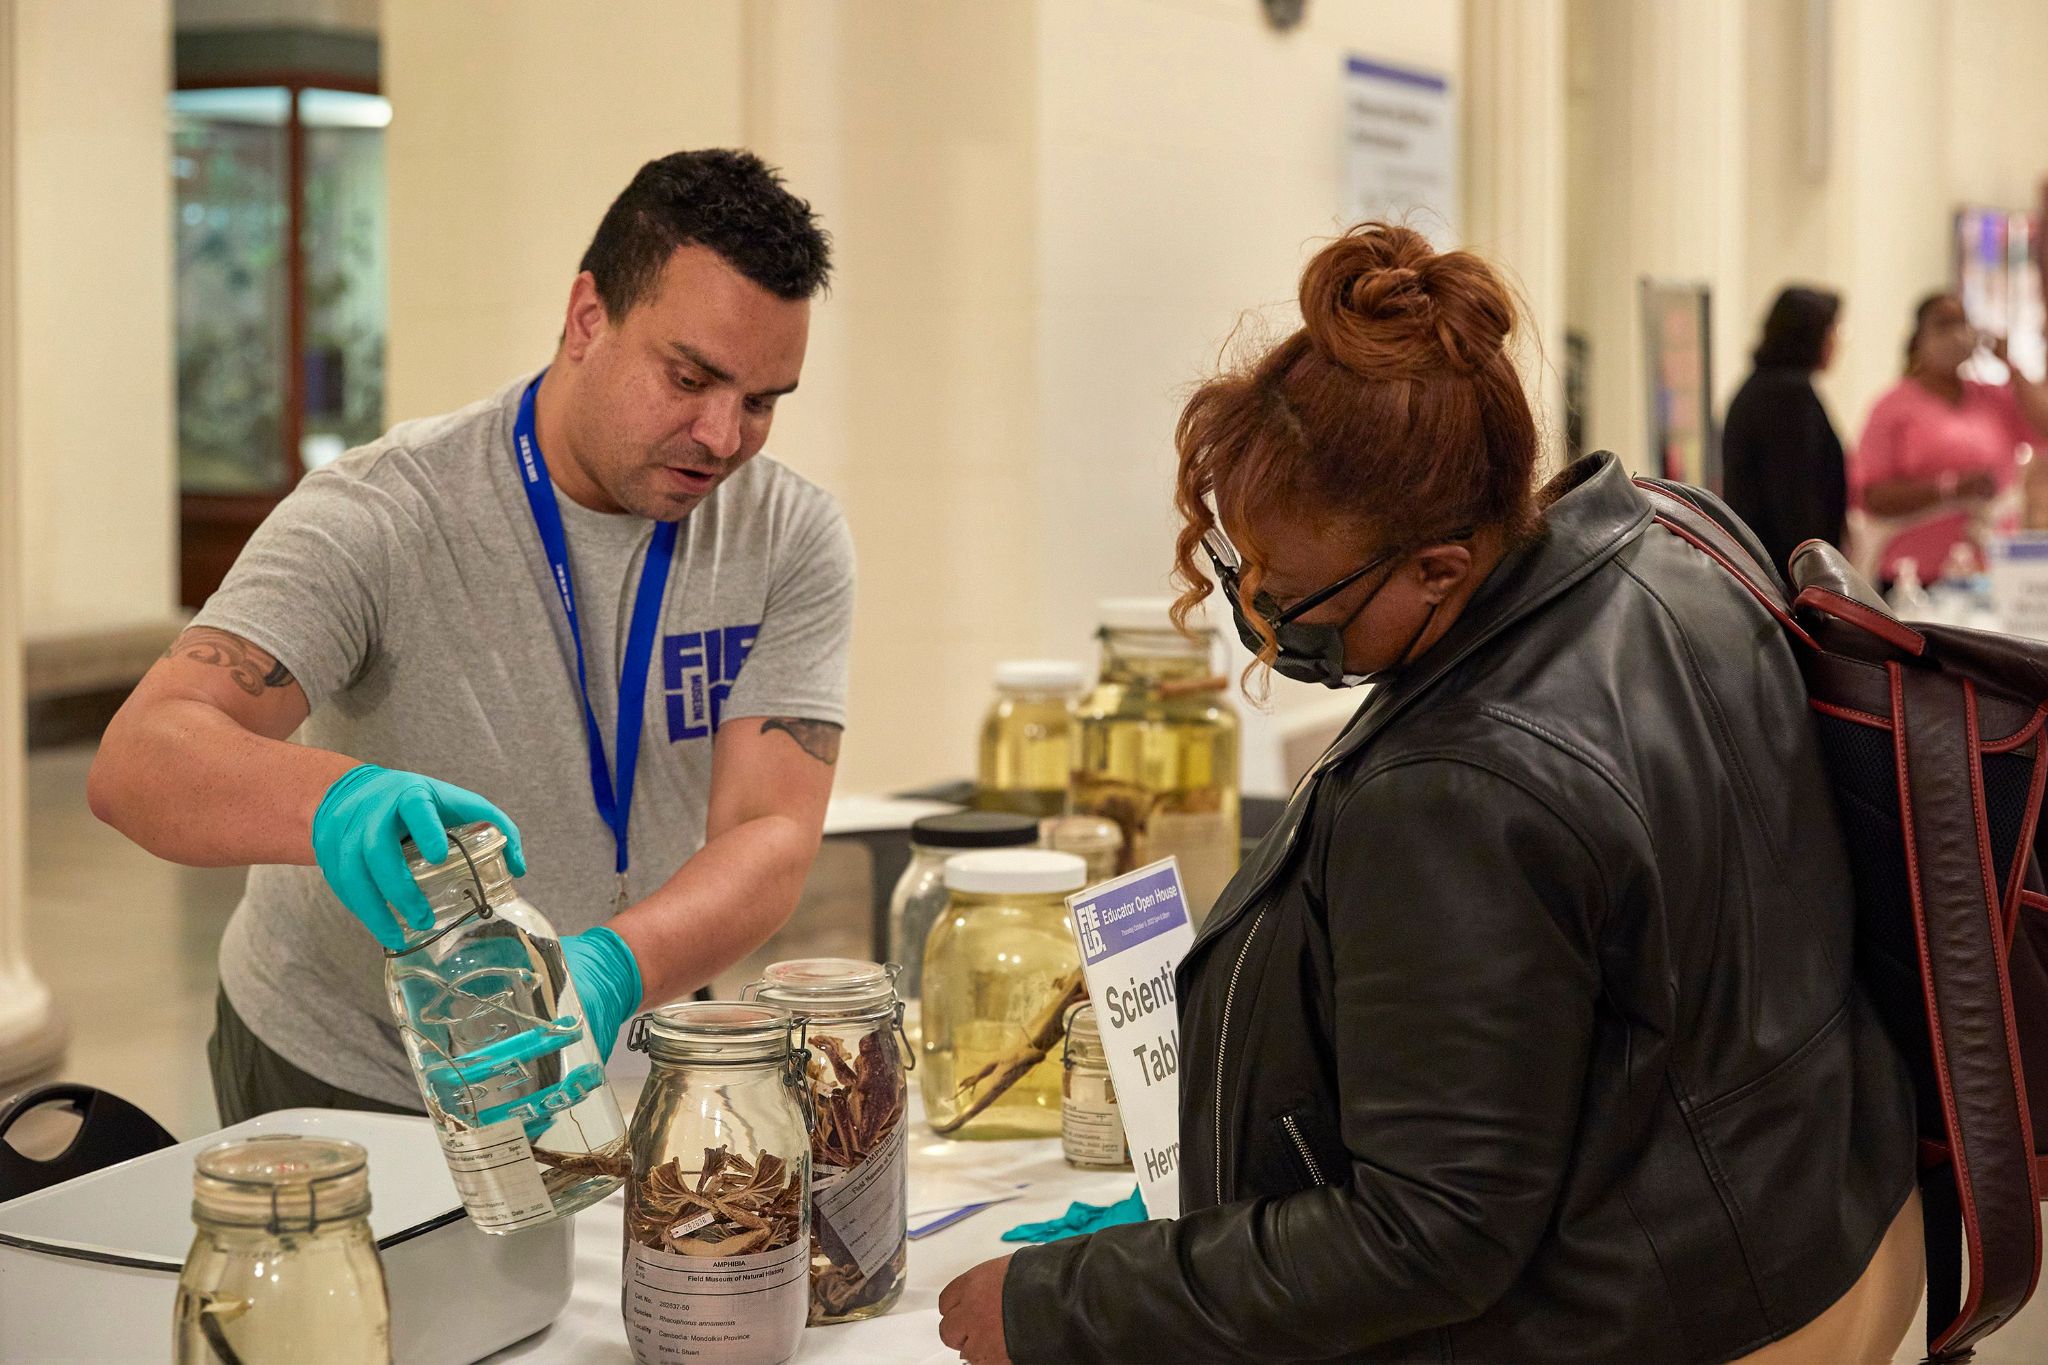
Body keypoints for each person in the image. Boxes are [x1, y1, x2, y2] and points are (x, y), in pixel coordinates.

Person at [938, 224, 1921, 1363]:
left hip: (1688, 1314)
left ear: (1440, 567)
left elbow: (1430, 1232)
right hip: (1822, 1215)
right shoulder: (1670, 545)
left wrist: (1057, 1304)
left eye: (1294, 591)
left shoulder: (1461, 785)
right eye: (1238, 569)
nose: (1257, 613)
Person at [88, 149, 854, 1123]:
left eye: (759, 402)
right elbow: (137, 760)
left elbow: (769, 830)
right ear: (587, 318)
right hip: (348, 1062)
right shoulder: (383, 514)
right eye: (689, 377)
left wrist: (611, 969)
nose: (720, 436)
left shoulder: (785, 534)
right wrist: (336, 802)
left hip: (608, 1037)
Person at [1851, 291, 2048, 584]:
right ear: (1918, 339)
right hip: (1914, 576)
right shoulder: (1892, 407)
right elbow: (1872, 496)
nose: (1956, 335)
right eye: (1943, 325)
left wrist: (2010, 364)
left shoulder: (1992, 398)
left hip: (1990, 571)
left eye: (1962, 324)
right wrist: (1950, 489)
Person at [1721, 285, 1846, 574]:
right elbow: (1794, 501)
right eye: (1833, 331)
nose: (1836, 343)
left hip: (1766, 563)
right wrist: (1814, 575)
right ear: (1809, 336)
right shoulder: (1787, 398)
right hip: (1784, 571)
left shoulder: (1763, 388)